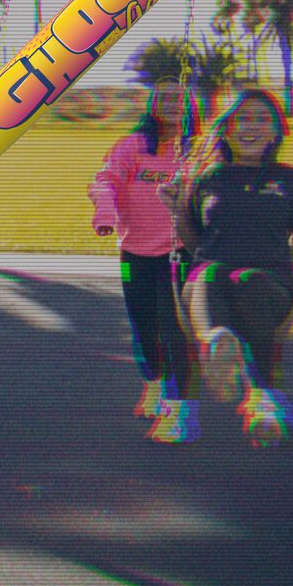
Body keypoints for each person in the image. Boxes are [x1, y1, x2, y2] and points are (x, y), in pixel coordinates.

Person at [159, 88, 293, 447]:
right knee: (211, 272)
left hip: (269, 287)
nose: (251, 126)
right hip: (207, 288)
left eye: (262, 119)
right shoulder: (209, 177)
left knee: (249, 280)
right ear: (227, 129)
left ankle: (253, 388)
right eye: (242, 118)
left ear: (276, 131)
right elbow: (194, 243)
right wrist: (175, 208)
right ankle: (220, 352)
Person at [89, 77, 200, 443]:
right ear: (152, 105)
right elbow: (104, 180)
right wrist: (105, 213)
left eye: (179, 99)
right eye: (164, 98)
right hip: (134, 254)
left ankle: (177, 409)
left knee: (176, 330)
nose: (171, 104)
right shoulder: (133, 146)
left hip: (182, 254)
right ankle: (152, 382)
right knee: (142, 326)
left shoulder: (199, 149)